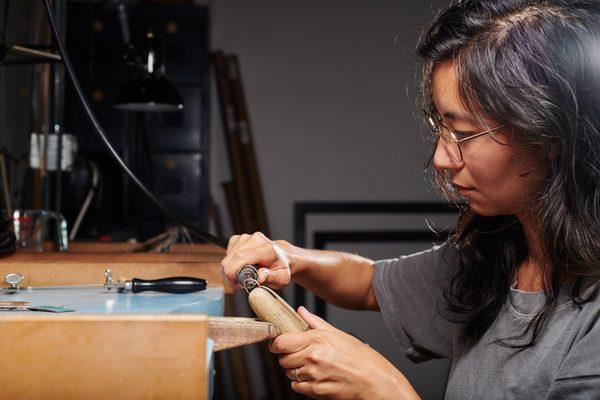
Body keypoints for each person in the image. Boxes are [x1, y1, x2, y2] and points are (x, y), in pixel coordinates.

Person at [221, 1, 600, 398]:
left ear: (549, 136)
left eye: (464, 133)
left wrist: (380, 389)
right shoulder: (501, 254)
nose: (440, 157)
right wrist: (289, 257)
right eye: (441, 126)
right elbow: (370, 284)